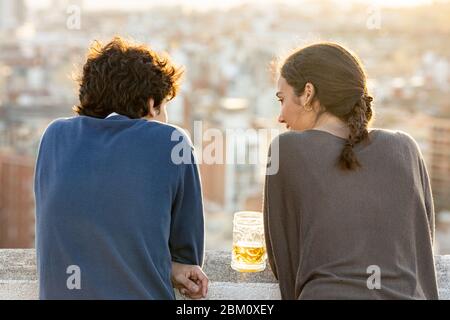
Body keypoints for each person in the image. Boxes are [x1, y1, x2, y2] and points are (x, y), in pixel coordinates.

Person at [34, 37, 208, 299]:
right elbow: (187, 254)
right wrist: (177, 266)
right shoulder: (171, 141)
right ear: (152, 104)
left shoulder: (55, 136)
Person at [263, 42, 438, 299]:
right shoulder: (405, 147)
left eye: (282, 99)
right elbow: (422, 247)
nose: (280, 116)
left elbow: (285, 262)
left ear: (308, 93)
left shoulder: (287, 149)